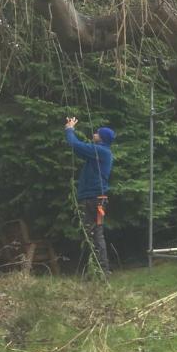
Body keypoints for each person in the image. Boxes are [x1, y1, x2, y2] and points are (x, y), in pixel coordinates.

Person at [64, 116, 115, 276]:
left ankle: (101, 271)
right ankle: (98, 270)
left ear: (102, 138)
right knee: (93, 233)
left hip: (95, 199)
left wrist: (69, 129)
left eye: (97, 133)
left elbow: (75, 145)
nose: (94, 133)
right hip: (96, 199)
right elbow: (80, 149)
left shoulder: (100, 151)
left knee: (95, 234)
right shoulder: (99, 152)